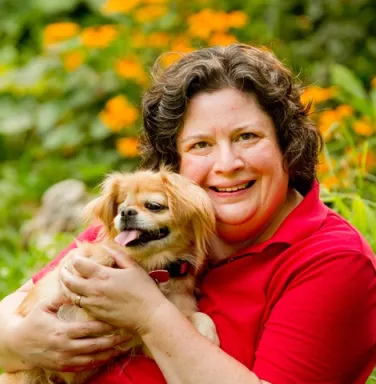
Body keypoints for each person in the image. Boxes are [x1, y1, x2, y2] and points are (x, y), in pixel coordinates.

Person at [0, 44, 375, 384]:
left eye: (248, 136)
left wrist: (149, 317)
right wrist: (22, 342)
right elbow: (14, 312)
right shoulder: (156, 228)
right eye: (201, 144)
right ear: (175, 162)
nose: (227, 164)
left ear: (286, 146)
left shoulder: (334, 262)